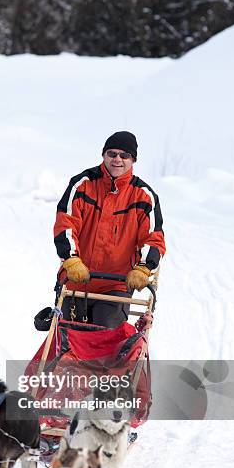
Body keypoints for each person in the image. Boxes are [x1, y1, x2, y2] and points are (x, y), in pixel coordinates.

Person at [53, 131, 166, 328]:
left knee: (106, 344)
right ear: (103, 155)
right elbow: (66, 223)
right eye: (112, 154)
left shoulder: (144, 196)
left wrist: (144, 267)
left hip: (116, 286)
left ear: (133, 160)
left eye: (124, 155)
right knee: (69, 344)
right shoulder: (82, 185)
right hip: (75, 280)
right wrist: (70, 259)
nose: (117, 160)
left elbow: (153, 238)